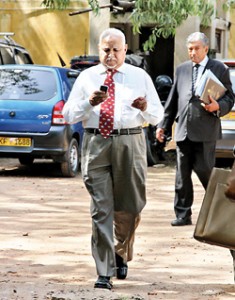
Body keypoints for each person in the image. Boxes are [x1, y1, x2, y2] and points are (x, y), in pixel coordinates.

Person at [62, 28, 164, 289]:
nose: (111, 55)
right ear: (100, 50)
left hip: (130, 142)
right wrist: (89, 103)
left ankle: (120, 251)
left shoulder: (139, 77)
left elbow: (158, 115)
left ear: (125, 50)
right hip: (97, 143)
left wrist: (145, 108)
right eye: (106, 50)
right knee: (101, 209)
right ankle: (104, 271)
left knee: (131, 207)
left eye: (116, 49)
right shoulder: (86, 77)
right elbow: (68, 115)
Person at [156, 32, 235, 227]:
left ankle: (220, 211)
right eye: (190, 49)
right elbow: (173, 101)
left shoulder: (219, 69)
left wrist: (219, 107)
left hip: (206, 131)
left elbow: (230, 98)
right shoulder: (182, 70)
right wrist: (162, 126)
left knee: (206, 172)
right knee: (181, 177)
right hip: (183, 130)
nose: (192, 52)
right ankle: (183, 214)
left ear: (206, 49)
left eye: (196, 48)